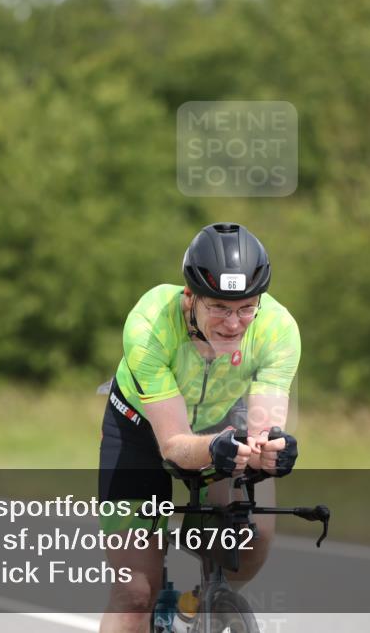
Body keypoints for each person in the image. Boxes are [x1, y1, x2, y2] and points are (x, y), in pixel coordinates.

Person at [98, 222, 301, 633]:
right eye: (220, 308)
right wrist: (218, 449)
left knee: (253, 536)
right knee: (135, 594)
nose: (234, 324)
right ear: (189, 297)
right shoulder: (151, 324)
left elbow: (264, 427)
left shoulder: (278, 329)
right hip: (139, 431)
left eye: (246, 308)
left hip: (222, 422)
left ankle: (194, 604)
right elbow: (173, 444)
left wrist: (271, 451)